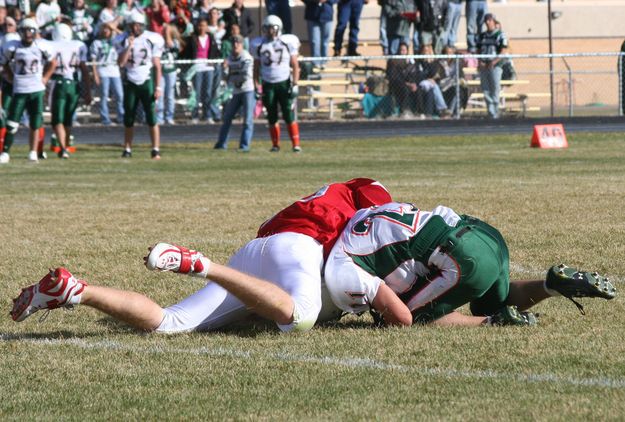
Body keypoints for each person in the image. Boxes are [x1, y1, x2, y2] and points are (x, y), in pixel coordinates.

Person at [10, 178, 392, 334]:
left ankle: (76, 291)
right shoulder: (363, 198)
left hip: (256, 252)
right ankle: (202, 265)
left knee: (169, 323)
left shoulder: (325, 196)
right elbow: (370, 230)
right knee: (300, 318)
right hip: (299, 248)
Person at [324, 202, 616, 327]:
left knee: (418, 317)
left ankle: (494, 324)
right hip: (484, 234)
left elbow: (401, 317)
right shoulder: (362, 216)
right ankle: (552, 285)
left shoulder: (339, 267)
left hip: (461, 256)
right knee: (491, 302)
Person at [0, 18, 56, 164]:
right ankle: (5, 152)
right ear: (20, 32)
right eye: (25, 30)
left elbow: (53, 62)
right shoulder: (13, 47)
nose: (28, 34)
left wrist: (45, 78)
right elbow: (4, 64)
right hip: (20, 89)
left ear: (35, 31)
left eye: (30, 30)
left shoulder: (41, 46)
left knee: (35, 122)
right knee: (12, 123)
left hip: (36, 89)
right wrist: (11, 78)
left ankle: (33, 151)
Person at [114, 9, 164, 159]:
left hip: (146, 80)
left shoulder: (152, 38)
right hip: (130, 81)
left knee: (151, 117)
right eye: (133, 25)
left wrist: (158, 86)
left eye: (138, 25)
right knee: (128, 117)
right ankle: (127, 149)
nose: (135, 28)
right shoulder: (121, 39)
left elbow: (157, 65)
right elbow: (121, 63)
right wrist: (129, 46)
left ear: (143, 25)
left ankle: (155, 149)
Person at [251, 15, 301, 152]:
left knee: (288, 114)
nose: (269, 31)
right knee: (271, 115)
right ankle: (275, 145)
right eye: (266, 28)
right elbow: (256, 67)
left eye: (271, 28)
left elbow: (295, 65)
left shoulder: (287, 41)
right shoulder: (259, 44)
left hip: (284, 82)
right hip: (268, 83)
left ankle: (296, 144)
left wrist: (295, 84)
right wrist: (256, 85)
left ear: (278, 28)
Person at [49, 23, 91, 159]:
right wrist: (88, 90)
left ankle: (62, 148)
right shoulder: (78, 45)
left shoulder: (51, 46)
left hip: (59, 83)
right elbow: (84, 70)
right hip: (74, 85)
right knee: (67, 119)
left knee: (58, 119)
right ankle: (65, 148)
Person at [214, 34, 253, 151]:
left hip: (247, 90)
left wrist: (231, 74)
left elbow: (243, 76)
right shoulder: (230, 57)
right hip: (236, 92)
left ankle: (244, 145)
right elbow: (226, 77)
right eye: (234, 43)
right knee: (227, 117)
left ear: (242, 45)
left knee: (247, 119)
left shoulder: (246, 57)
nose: (236, 45)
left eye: (238, 43)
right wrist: (225, 69)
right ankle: (222, 144)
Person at [186, 17, 221, 124]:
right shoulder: (193, 38)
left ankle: (207, 115)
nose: (202, 28)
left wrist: (212, 60)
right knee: (196, 92)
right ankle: (195, 115)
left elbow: (215, 51)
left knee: (207, 92)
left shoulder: (210, 37)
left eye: (204, 26)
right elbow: (188, 51)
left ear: (207, 27)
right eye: (200, 25)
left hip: (208, 67)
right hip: (197, 67)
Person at [90, 22, 124, 125]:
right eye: (104, 29)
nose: (105, 31)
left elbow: (124, 36)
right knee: (104, 95)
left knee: (120, 95)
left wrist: (115, 28)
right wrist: (95, 74)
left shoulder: (115, 42)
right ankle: (105, 119)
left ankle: (121, 117)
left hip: (114, 71)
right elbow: (93, 60)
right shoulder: (96, 43)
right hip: (103, 71)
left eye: (108, 29)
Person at [477, 13, 508, 119]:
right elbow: (478, 50)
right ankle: (490, 112)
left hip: (495, 66)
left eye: (489, 20)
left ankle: (495, 112)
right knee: (485, 89)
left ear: (494, 21)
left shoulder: (500, 34)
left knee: (495, 89)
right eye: (486, 20)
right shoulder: (482, 36)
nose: (487, 22)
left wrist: (493, 62)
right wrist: (480, 61)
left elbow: (503, 51)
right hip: (484, 65)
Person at [156, 23, 181, 125]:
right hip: (161, 71)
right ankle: (159, 117)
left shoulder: (175, 41)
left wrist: (167, 32)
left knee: (170, 95)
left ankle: (169, 116)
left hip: (171, 71)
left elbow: (170, 44)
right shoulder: (159, 41)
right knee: (160, 95)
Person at [302, 0, 336, 67]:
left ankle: (324, 62)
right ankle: (315, 62)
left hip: (327, 14)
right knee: (314, 41)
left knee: (325, 41)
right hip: (312, 15)